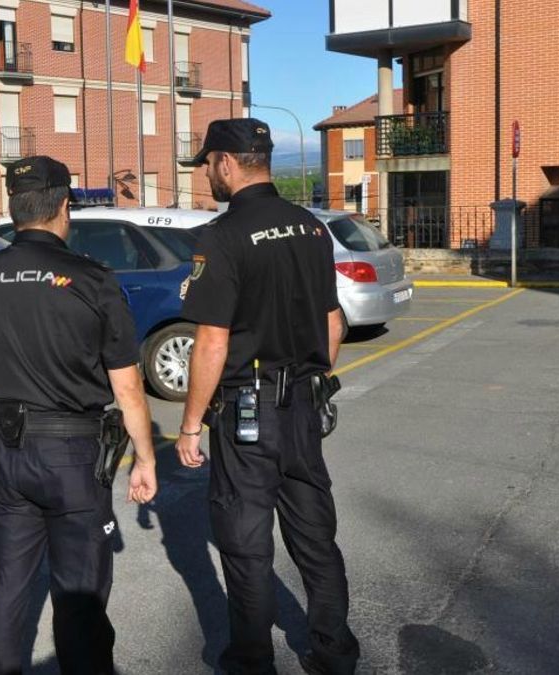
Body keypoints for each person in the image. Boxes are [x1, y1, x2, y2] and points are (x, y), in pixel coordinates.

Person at [0, 156, 158, 675]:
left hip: (5, 454)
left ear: (14, 208)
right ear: (64, 206)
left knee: (5, 592)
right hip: (74, 457)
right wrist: (145, 458)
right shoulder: (92, 278)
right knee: (80, 597)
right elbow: (128, 387)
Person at [174, 119, 360, 675]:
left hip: (247, 412)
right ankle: (334, 654)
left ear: (228, 163)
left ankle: (252, 661)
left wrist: (189, 425)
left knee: (246, 546)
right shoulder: (310, 227)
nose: (207, 174)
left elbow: (212, 340)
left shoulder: (222, 236)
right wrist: (312, 381)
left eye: (208, 164)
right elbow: (333, 322)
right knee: (316, 538)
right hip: (302, 406)